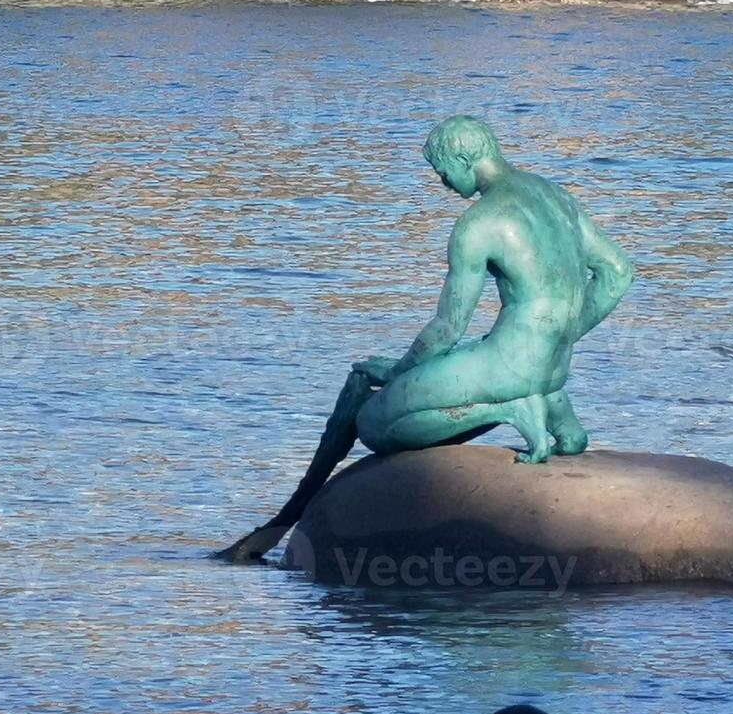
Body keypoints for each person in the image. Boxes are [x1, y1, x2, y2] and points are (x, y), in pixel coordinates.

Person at [219, 115, 634, 562]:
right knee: (426, 377)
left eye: (441, 171)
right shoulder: (557, 198)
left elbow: (448, 328)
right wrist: (562, 333)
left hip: (507, 368)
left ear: (463, 158)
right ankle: (553, 411)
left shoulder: (479, 223)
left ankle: (509, 406)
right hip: (552, 368)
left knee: (370, 420)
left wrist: (399, 370)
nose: (442, 182)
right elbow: (617, 274)